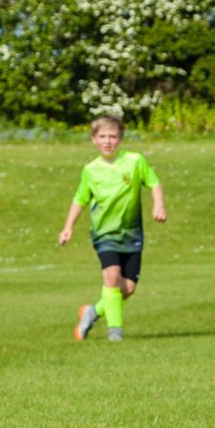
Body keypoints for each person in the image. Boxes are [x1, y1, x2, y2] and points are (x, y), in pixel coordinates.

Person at [57, 115, 166, 342]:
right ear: (94, 140)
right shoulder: (91, 170)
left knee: (128, 288)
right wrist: (68, 227)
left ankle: (92, 312)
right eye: (103, 136)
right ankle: (115, 333)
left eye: (113, 136)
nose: (108, 141)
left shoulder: (135, 161)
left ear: (121, 139)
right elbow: (80, 199)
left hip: (132, 234)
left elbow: (154, 183)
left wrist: (159, 204)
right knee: (111, 277)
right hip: (104, 234)